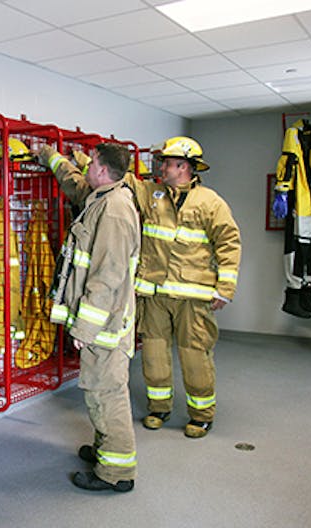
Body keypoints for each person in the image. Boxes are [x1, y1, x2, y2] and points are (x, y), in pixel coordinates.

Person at [36, 142, 141, 493]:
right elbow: (75, 184)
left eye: (90, 162)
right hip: (105, 322)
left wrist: (84, 327)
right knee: (99, 390)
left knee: (106, 393)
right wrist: (51, 158)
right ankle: (104, 451)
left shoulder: (113, 211)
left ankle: (116, 473)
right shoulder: (104, 196)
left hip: (105, 324)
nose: (86, 167)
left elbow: (106, 277)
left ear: (101, 167)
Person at [133, 137, 241, 439]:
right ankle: (159, 408)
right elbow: (123, 179)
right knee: (153, 355)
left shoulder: (210, 201)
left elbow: (229, 243)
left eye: (167, 163)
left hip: (193, 297)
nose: (162, 167)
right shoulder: (151, 193)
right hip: (154, 294)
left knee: (195, 357)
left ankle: (202, 415)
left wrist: (225, 289)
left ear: (183, 166)